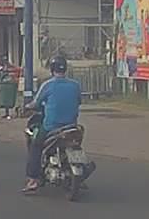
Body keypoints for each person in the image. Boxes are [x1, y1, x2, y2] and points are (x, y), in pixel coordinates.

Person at [22, 55, 95, 193]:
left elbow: (36, 103)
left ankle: (33, 179)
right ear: (65, 69)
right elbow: (79, 101)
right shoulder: (75, 85)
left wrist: (27, 106)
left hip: (51, 127)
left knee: (35, 145)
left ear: (51, 69)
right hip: (71, 126)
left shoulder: (48, 85)